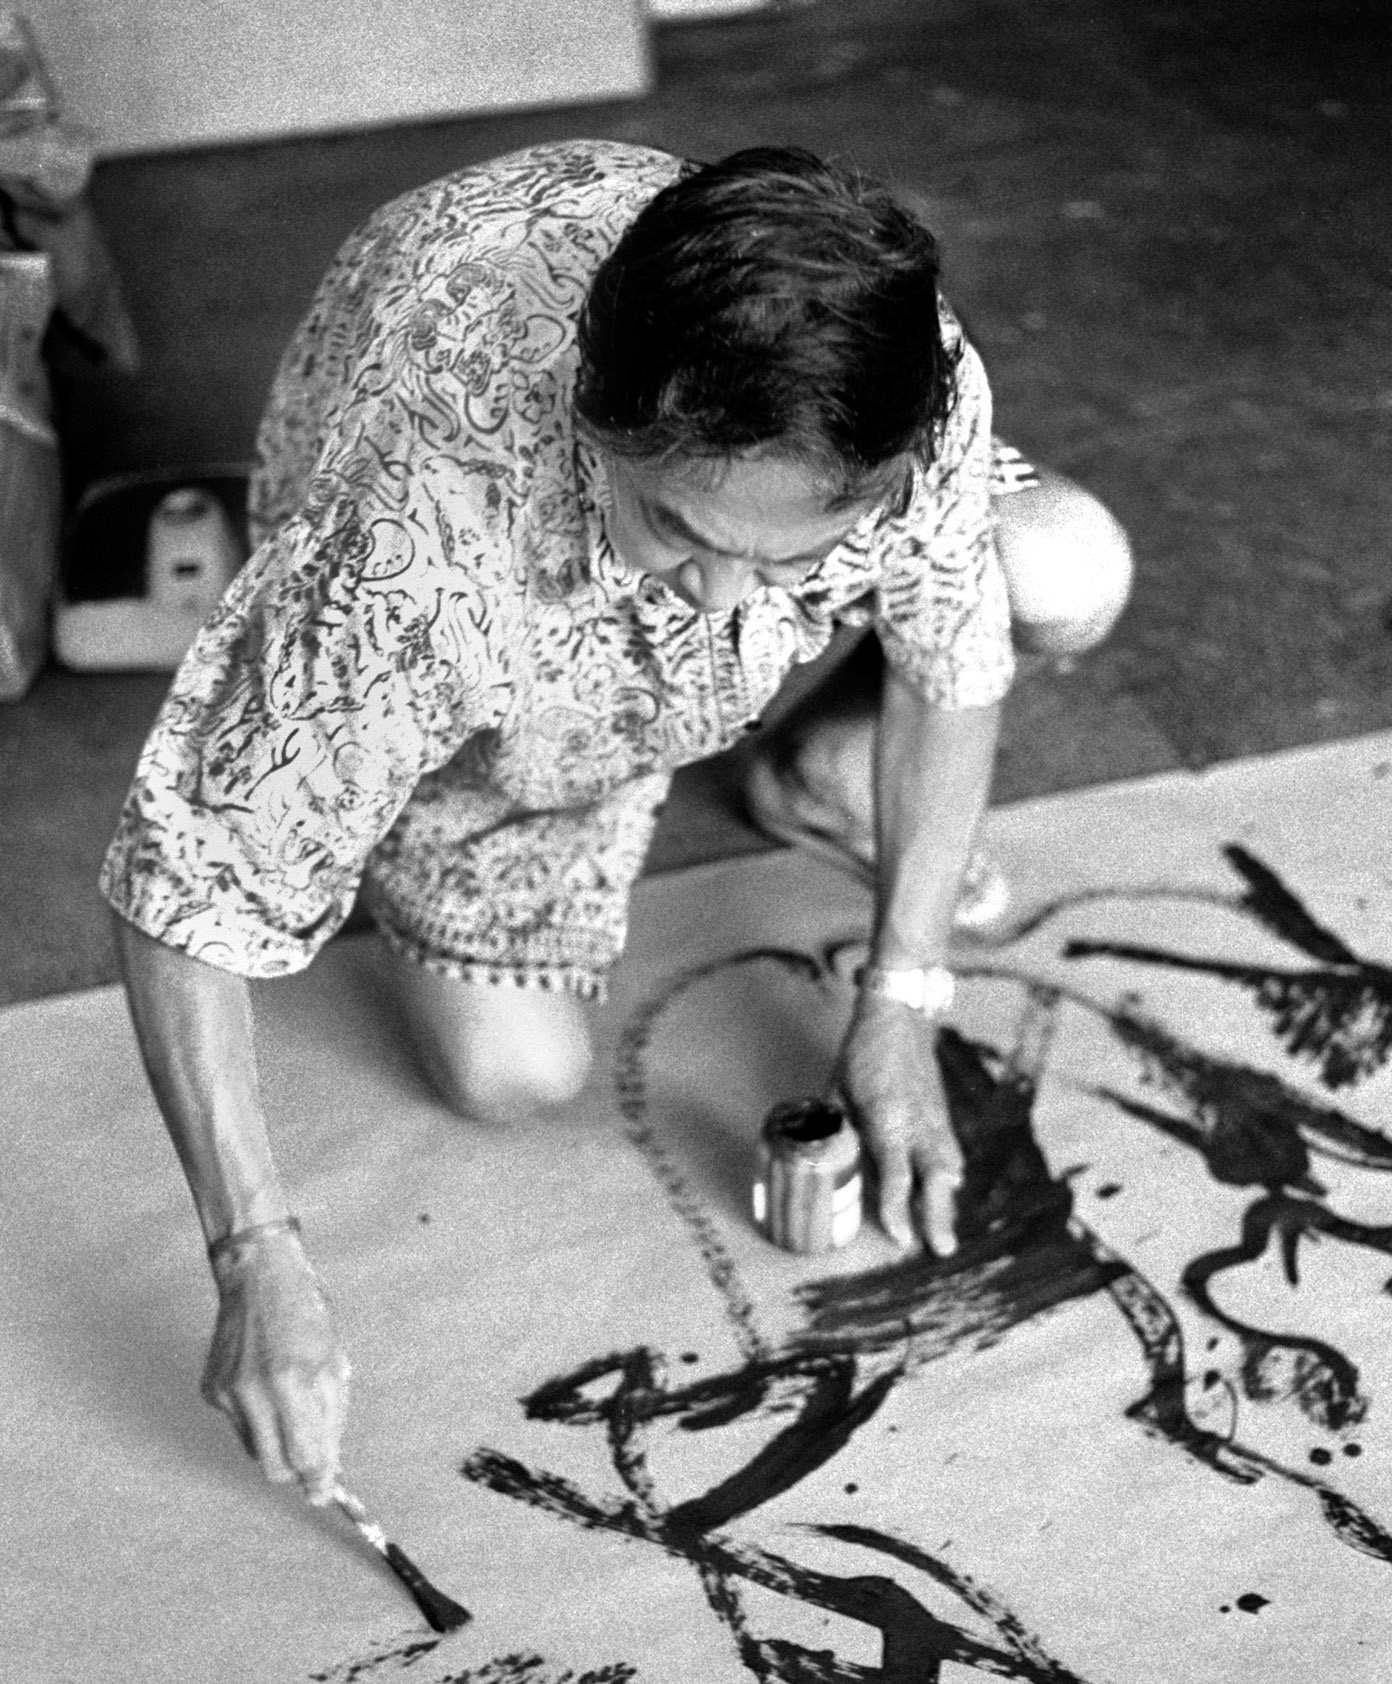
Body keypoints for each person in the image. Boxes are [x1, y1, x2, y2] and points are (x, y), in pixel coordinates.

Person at [100, 140, 1132, 1505]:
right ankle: (442, 770)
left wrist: (902, 1000)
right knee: (512, 1073)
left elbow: (949, 655)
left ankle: (821, 766)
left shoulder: (911, 386)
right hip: (489, 632)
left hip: (632, 529)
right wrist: (253, 1256)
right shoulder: (413, 537)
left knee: (1061, 564)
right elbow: (185, 885)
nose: (722, 599)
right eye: (676, 529)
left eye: (793, 556)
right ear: (598, 419)